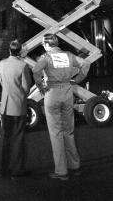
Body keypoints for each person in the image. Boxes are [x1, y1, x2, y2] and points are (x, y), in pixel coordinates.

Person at [32, 33, 90, 180]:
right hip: (67, 92)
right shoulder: (69, 55)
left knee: (56, 133)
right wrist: (76, 79)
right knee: (69, 131)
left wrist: (40, 86)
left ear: (46, 45)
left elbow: (36, 70)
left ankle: (61, 171)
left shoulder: (46, 57)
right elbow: (86, 64)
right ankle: (75, 166)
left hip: (52, 93)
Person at [0, 39, 33, 179]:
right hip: (18, 105)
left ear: (9, 50)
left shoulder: (2, 63)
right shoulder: (22, 65)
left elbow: (1, 81)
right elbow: (26, 86)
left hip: (5, 105)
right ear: (20, 52)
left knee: (5, 137)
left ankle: (2, 169)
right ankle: (17, 170)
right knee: (18, 138)